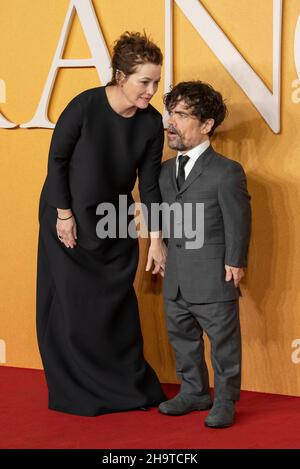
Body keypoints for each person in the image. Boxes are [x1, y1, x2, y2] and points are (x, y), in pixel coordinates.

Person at [36, 31, 167, 416]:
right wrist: (64, 215)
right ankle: (77, 390)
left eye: (156, 82)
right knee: (74, 307)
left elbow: (151, 186)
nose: (151, 90)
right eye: (145, 81)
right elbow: (56, 162)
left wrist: (156, 241)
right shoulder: (84, 106)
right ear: (120, 76)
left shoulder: (151, 123)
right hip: (68, 219)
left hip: (114, 224)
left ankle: (123, 387)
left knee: (115, 307)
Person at [158, 81, 251, 428]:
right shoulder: (165, 172)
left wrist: (236, 260)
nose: (172, 122)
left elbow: (238, 219)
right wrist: (158, 244)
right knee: (182, 338)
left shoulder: (226, 171)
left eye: (181, 115)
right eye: (171, 113)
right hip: (177, 274)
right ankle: (194, 391)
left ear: (207, 124)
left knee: (224, 344)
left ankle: (226, 400)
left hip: (214, 275)